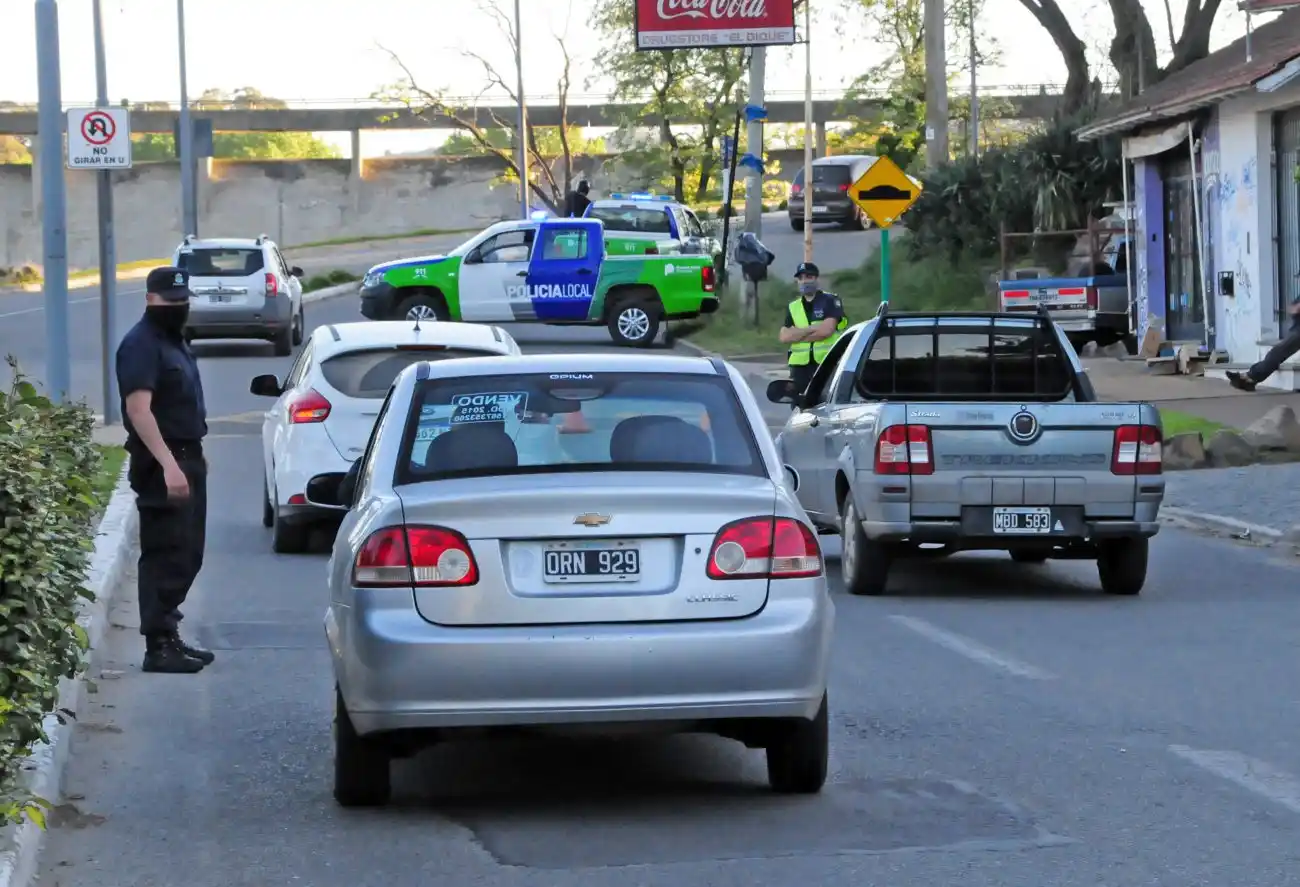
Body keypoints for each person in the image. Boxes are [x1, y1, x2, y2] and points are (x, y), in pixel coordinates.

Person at [116, 266, 214, 674]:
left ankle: (169, 633)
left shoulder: (174, 341)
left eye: (182, 301)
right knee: (165, 551)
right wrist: (169, 465)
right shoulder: (140, 344)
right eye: (169, 301)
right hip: (162, 460)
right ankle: (158, 646)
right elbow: (138, 411)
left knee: (188, 552)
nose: (178, 307)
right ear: (149, 300)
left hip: (185, 454)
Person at [780, 261, 848, 395]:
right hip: (799, 367)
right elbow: (784, 336)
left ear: (816, 279)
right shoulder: (793, 306)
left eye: (808, 277)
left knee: (825, 401)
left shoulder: (830, 300)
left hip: (826, 363)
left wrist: (797, 335)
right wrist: (813, 328)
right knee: (799, 405)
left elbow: (826, 331)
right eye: (801, 278)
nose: (804, 281)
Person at [1227, 290, 1300, 392]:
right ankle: (1248, 379)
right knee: (1276, 354)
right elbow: (1293, 307)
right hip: (1296, 329)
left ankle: (1249, 377)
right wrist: (1294, 309)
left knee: (1276, 353)